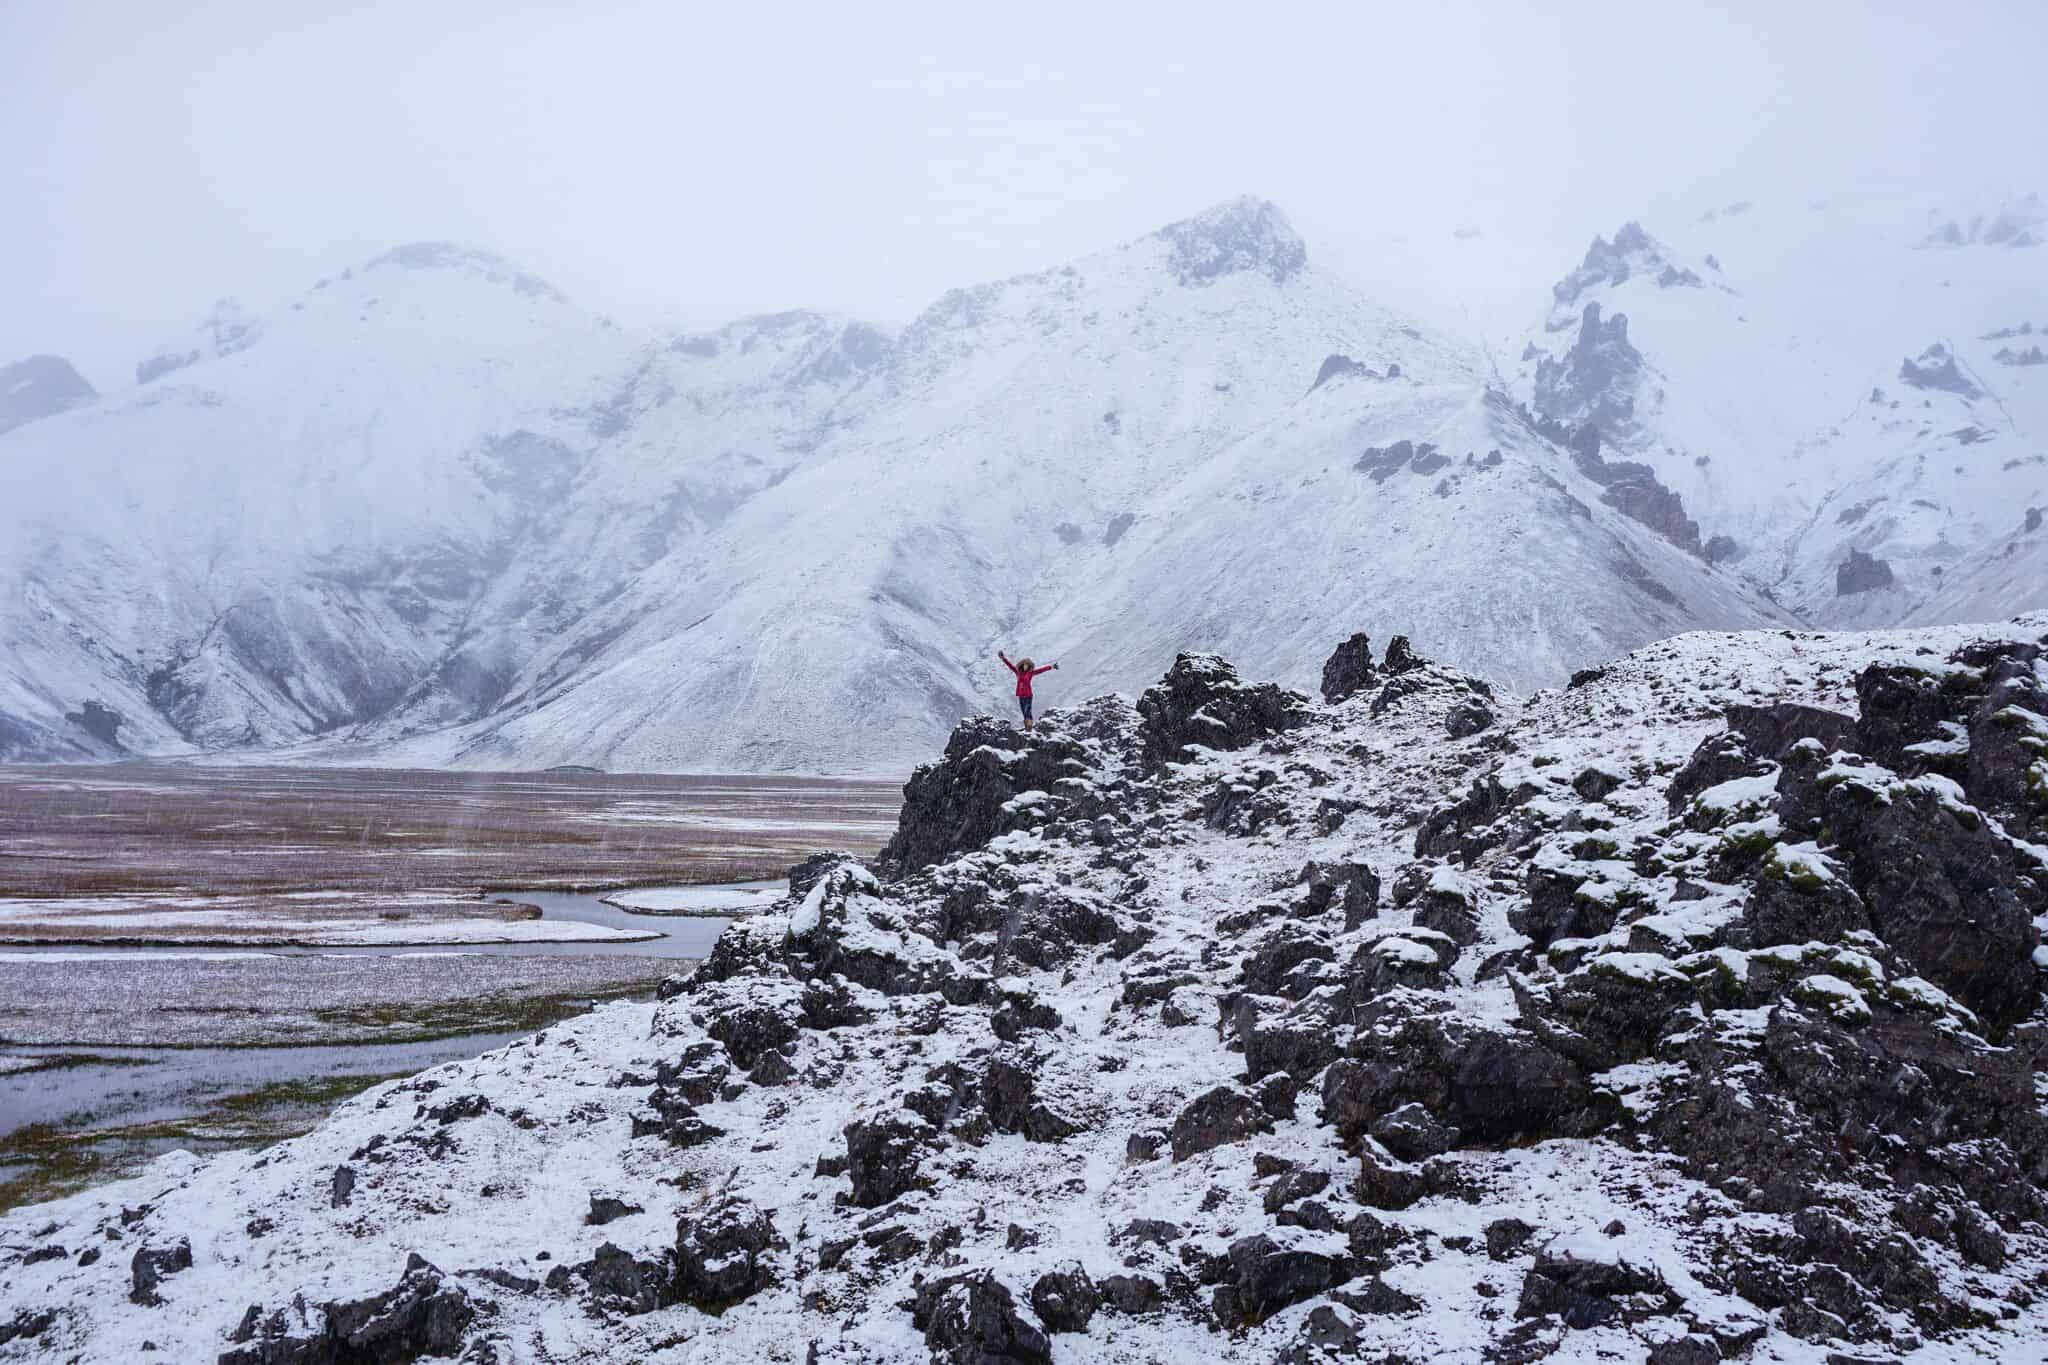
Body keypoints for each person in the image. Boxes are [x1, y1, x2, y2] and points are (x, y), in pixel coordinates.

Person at [998, 650, 1058, 730]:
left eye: (1027, 665)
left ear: (1029, 666)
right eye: (1024, 665)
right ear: (1022, 665)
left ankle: (1029, 727)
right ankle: (1027, 728)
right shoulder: (1018, 672)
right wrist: (1003, 658)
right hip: (1020, 695)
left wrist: (1051, 667)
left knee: (1027, 711)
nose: (1025, 666)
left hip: (1028, 695)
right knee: (1024, 713)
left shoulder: (1030, 673)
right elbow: (1010, 666)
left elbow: (1041, 670)